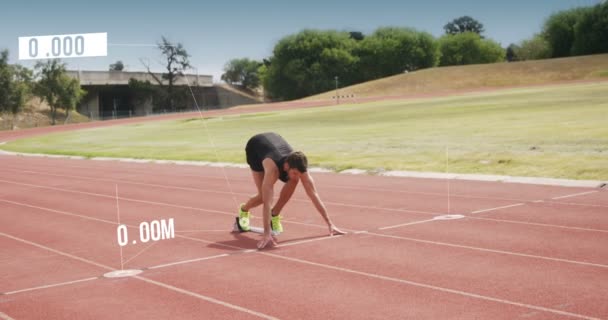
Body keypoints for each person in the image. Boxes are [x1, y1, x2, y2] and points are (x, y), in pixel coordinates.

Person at [238, 132, 346, 249]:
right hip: (255, 147)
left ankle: (275, 215)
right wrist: (267, 233)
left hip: (275, 139)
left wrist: (330, 223)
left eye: (299, 174)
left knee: (293, 181)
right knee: (263, 198)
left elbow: (314, 195)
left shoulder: (300, 168)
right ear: (286, 166)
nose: (297, 176)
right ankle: (244, 210)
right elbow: (267, 203)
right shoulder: (272, 170)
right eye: (294, 173)